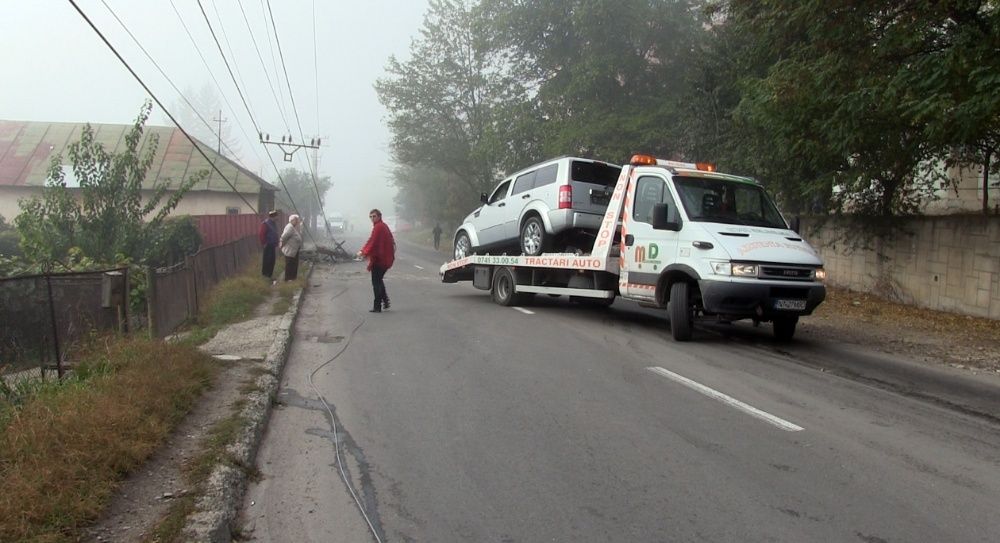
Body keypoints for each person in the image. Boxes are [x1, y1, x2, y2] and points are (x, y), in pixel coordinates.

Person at [357, 208, 395, 312]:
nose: (372, 218)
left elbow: (372, 242)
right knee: (378, 280)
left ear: (379, 216)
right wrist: (363, 250)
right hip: (384, 259)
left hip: (380, 260)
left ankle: (377, 306)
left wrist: (363, 252)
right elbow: (372, 240)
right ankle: (385, 301)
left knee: (376, 282)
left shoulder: (379, 227)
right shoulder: (383, 226)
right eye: (371, 217)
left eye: (374, 216)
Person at [279, 214, 303, 281]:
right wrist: (281, 244)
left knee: (294, 265)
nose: (297, 222)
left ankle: (292, 279)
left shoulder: (292, 227)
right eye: (296, 220)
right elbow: (284, 237)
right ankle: (288, 279)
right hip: (290, 250)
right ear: (292, 220)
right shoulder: (289, 227)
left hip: (293, 251)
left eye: (297, 220)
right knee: (289, 265)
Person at [260, 210, 280, 283]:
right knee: (267, 261)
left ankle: (270, 275)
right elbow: (262, 234)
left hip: (272, 245)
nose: (278, 217)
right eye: (276, 216)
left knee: (272, 261)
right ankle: (266, 275)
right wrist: (264, 243)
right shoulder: (265, 224)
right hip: (268, 245)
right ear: (273, 216)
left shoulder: (273, 223)